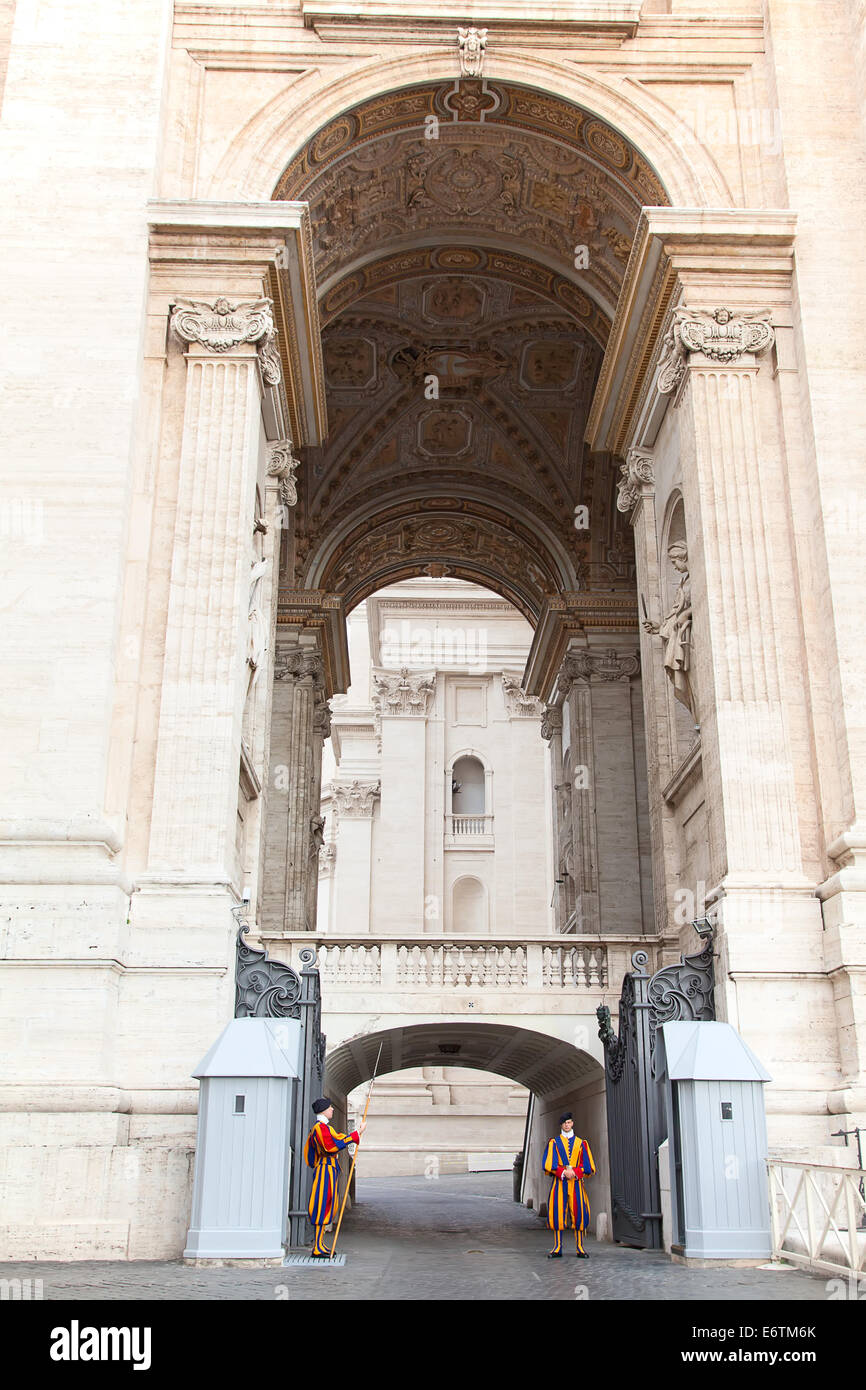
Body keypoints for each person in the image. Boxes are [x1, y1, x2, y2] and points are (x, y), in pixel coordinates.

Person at [305, 1097, 366, 1258]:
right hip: (324, 1170)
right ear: (324, 1110)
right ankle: (317, 1247)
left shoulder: (326, 1128)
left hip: (329, 1170)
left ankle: (320, 1243)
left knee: (327, 1205)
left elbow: (338, 1138)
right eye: (330, 1107)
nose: (332, 1109)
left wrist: (357, 1133)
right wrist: (354, 1136)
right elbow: (331, 1146)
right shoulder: (320, 1129)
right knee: (321, 1205)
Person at [542, 1112, 596, 1258]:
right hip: (560, 1183)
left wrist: (575, 1172)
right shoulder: (554, 1142)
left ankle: (580, 1247)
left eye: (570, 1122)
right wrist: (563, 1172)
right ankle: (557, 1247)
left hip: (576, 1184)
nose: (568, 1125)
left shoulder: (581, 1143)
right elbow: (549, 1164)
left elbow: (588, 1165)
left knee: (579, 1213)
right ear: (561, 1125)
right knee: (557, 1213)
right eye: (565, 1123)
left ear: (572, 1124)